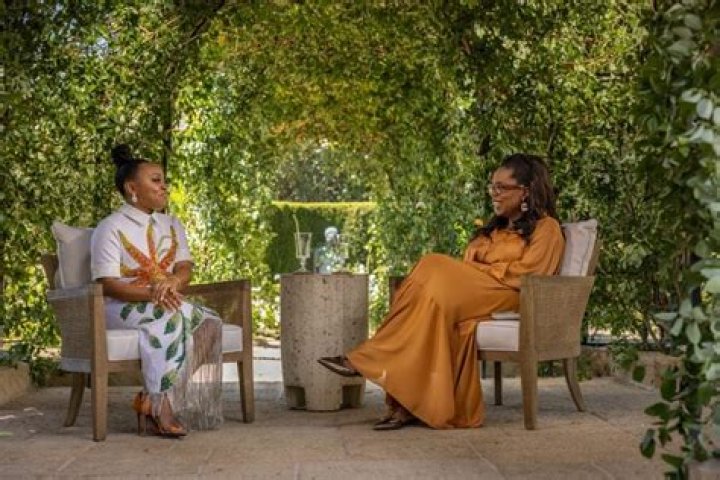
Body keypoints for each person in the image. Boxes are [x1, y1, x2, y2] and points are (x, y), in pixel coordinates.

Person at [318, 153, 565, 430]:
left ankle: (369, 359)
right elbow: (468, 267)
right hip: (477, 291)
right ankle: (406, 404)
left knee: (432, 264)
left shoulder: (547, 228)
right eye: (492, 186)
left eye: (501, 187)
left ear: (525, 191)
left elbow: (529, 274)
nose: (494, 194)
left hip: (512, 296)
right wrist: (480, 269)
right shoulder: (493, 230)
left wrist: (483, 269)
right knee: (427, 299)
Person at [91, 144, 223, 438]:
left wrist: (173, 283)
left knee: (210, 324)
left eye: (164, 180)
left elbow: (185, 267)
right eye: (155, 180)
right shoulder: (109, 227)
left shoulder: (171, 224)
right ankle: (161, 410)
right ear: (132, 188)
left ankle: (158, 400)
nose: (164, 186)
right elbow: (107, 283)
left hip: (164, 300)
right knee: (172, 316)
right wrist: (154, 293)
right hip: (119, 306)